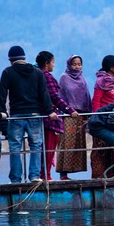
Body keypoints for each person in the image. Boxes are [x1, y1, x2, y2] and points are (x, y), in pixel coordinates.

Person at [0, 45, 58, 184]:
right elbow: (44, 94)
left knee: (15, 147)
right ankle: (34, 176)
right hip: (35, 114)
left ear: (10, 60)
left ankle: (16, 179)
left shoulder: (8, 72)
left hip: (17, 115)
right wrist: (49, 111)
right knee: (36, 145)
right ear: (24, 58)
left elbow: (2, 94)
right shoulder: (37, 72)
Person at [35, 51, 79, 181]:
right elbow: (54, 97)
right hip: (49, 117)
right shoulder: (46, 77)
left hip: (40, 115)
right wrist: (69, 110)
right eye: (52, 62)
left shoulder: (35, 75)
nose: (53, 65)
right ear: (46, 63)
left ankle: (42, 174)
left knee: (41, 148)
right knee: (48, 148)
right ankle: (46, 175)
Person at [57, 54, 90, 179]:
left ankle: (73, 172)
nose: (77, 67)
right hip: (68, 116)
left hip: (81, 116)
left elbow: (86, 97)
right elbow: (61, 97)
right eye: (74, 64)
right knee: (67, 143)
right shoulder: (64, 78)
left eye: (79, 64)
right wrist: (69, 110)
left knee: (78, 144)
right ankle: (63, 173)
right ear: (69, 65)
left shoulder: (82, 79)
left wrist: (87, 114)